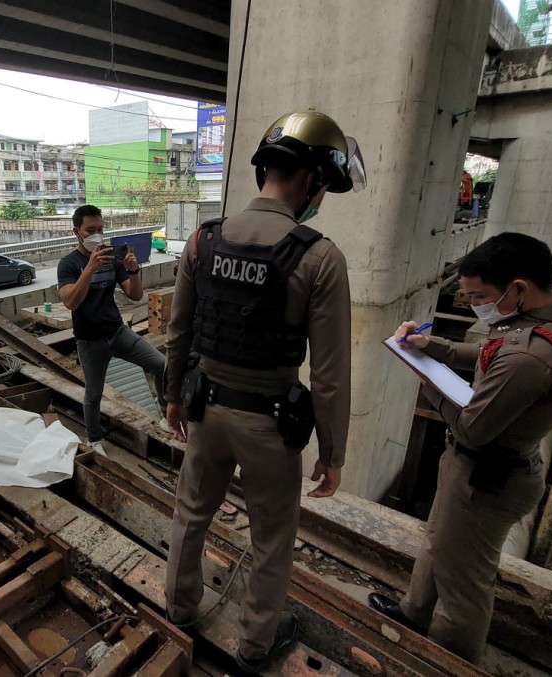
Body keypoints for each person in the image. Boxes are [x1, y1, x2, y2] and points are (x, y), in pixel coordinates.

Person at [163, 109, 365, 675]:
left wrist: (174, 398)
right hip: (271, 427)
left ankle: (178, 609)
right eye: (323, 186)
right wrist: (333, 451)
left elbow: (179, 332)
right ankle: (254, 644)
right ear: (309, 179)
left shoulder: (203, 239)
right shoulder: (321, 258)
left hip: (204, 409)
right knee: (273, 538)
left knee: (191, 514)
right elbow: (329, 373)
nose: (321, 197)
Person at [370, 233, 552, 663]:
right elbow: (494, 351)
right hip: (478, 470)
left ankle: (445, 660)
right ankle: (415, 613)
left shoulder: (533, 358)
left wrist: (426, 377)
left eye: (481, 296)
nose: (476, 305)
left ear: (519, 289)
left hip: (487, 478)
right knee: (438, 540)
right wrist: (432, 346)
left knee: (464, 586)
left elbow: (473, 428)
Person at [58, 205, 167, 454]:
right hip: (89, 341)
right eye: (91, 230)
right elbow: (70, 301)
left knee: (160, 364)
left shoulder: (111, 258)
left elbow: (136, 294)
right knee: (94, 394)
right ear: (77, 232)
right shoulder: (69, 264)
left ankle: (164, 415)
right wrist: (90, 268)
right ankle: (94, 440)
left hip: (118, 332)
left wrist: (133, 270)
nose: (97, 234)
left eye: (100, 229)